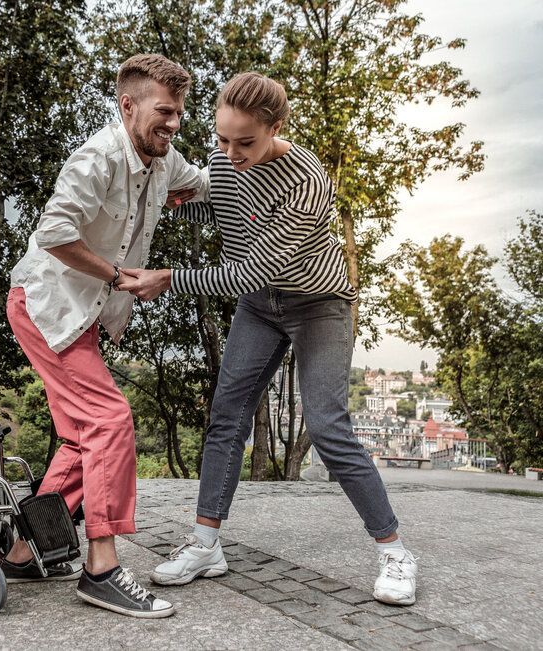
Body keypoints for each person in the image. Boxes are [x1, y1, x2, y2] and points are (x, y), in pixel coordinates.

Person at [115, 72, 419, 606]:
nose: (230, 154)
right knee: (226, 417)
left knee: (328, 426)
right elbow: (231, 207)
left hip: (317, 305)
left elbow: (256, 267)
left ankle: (394, 551)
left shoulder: (306, 177)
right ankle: (207, 544)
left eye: (245, 142)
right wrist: (194, 199)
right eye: (221, 140)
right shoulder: (223, 165)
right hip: (260, 308)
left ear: (276, 127)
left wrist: (170, 279)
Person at [2, 54, 209, 618]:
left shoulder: (165, 162)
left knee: (80, 437)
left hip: (84, 317)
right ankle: (102, 569)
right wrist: (121, 278)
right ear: (128, 106)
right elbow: (54, 234)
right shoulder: (96, 159)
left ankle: (23, 552)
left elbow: (207, 184)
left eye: (180, 114)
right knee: (110, 420)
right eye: (164, 112)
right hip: (48, 308)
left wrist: (265, 163)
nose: (174, 123)